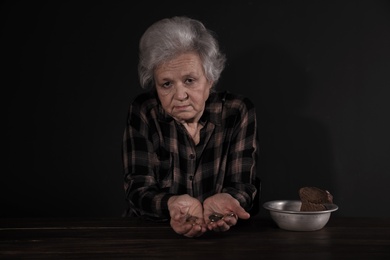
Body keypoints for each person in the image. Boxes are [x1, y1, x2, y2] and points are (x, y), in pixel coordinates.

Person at [122, 16, 259, 238]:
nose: (180, 95)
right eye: (166, 84)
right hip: (153, 235)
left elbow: (244, 184)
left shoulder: (237, 111)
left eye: (189, 80)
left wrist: (231, 201)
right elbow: (137, 188)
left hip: (222, 239)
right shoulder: (144, 111)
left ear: (210, 79)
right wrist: (172, 204)